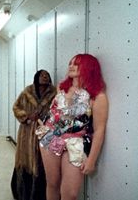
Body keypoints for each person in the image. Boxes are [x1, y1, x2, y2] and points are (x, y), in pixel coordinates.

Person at [36, 54, 108, 200]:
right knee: (52, 184)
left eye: (77, 64)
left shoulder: (97, 97)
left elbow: (100, 130)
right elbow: (56, 112)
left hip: (75, 143)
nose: (71, 66)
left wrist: (92, 160)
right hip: (50, 137)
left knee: (70, 193)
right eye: (70, 63)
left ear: (89, 67)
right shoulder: (61, 88)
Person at [11, 70, 57, 200]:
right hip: (27, 131)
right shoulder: (27, 92)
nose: (45, 77)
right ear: (36, 77)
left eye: (47, 76)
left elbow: (58, 111)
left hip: (45, 131)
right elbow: (16, 107)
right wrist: (27, 116)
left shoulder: (54, 93)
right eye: (42, 75)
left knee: (42, 162)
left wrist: (48, 120)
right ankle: (22, 194)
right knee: (26, 161)